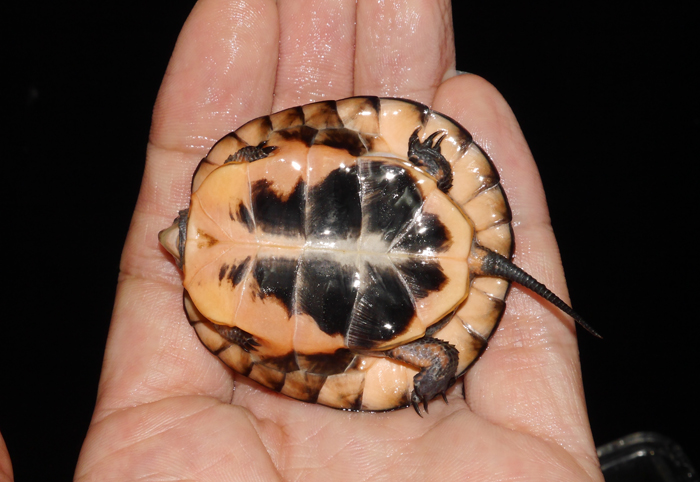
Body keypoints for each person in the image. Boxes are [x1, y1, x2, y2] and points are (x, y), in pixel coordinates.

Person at [73, 1, 604, 480]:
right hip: (421, 209)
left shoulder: (222, 301)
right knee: (380, 329)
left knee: (382, 337)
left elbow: (283, 353)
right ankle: (428, 341)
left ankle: (429, 350)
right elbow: (301, 147)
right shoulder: (232, 173)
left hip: (417, 236)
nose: (171, 237)